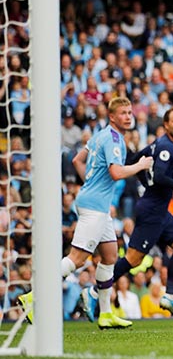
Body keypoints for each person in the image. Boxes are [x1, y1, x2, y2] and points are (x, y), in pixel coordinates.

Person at [19, 97, 152, 329]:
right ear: (112, 117)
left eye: (130, 113)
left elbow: (78, 159)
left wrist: (90, 183)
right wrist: (140, 165)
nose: (129, 117)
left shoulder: (99, 135)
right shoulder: (114, 140)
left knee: (110, 256)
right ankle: (32, 297)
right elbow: (116, 173)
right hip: (95, 207)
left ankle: (106, 313)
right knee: (77, 259)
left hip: (94, 202)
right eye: (123, 113)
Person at [87, 108, 173, 320]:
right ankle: (93, 291)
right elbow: (161, 177)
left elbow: (137, 163)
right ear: (166, 125)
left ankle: (170, 296)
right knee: (132, 260)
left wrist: (147, 185)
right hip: (152, 211)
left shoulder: (159, 144)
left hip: (159, 209)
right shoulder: (167, 148)